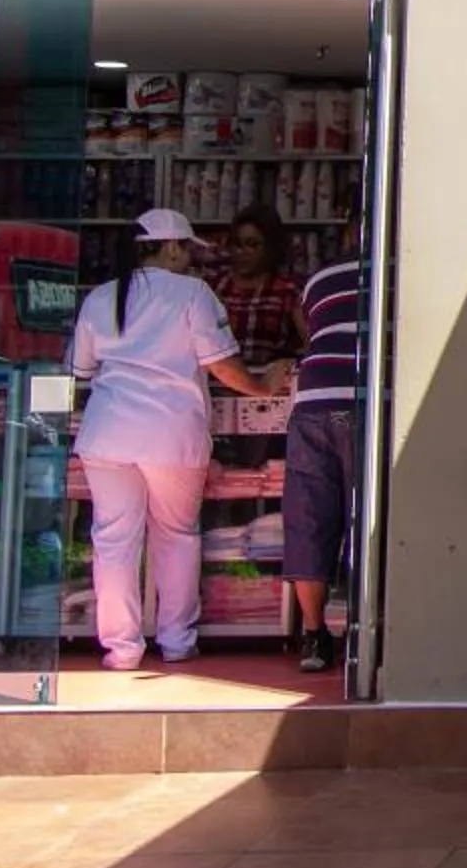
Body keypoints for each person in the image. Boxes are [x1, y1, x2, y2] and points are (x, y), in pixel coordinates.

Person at [69, 209, 285, 671]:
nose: (191, 258)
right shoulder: (193, 294)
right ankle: (176, 641)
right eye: (187, 248)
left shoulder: (101, 297)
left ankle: (122, 649)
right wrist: (265, 387)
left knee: (113, 541)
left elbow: (80, 371)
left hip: (107, 435)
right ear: (170, 247)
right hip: (171, 436)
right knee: (177, 537)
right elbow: (223, 365)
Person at [283, 216, 366, 674]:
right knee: (369, 519)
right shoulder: (401, 270)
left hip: (312, 399)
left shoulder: (319, 279)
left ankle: (314, 637)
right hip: (365, 402)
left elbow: (309, 331)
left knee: (310, 517)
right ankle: (364, 628)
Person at [210, 204, 306, 373]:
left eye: (252, 244)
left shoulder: (287, 289)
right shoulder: (216, 286)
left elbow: (309, 343)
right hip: (220, 383)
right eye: (237, 244)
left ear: (270, 248)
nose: (242, 252)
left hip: (271, 386)